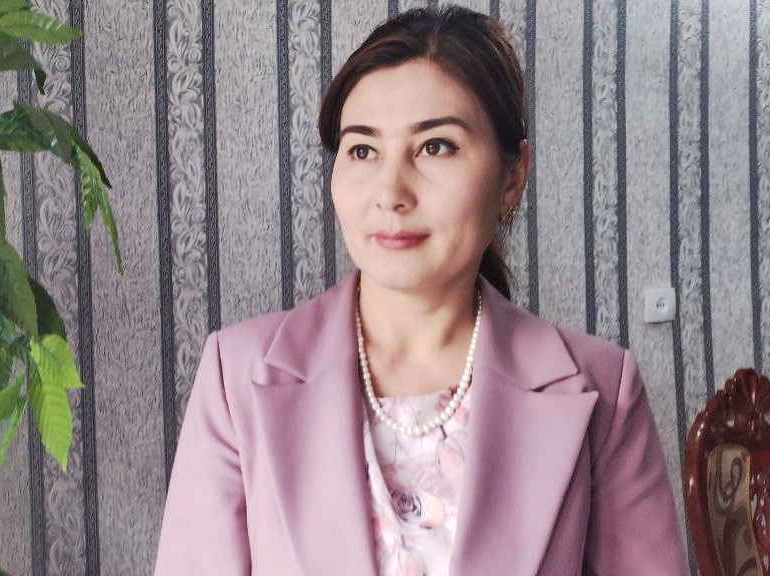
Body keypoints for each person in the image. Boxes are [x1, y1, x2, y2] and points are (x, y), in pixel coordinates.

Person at [154, 6, 687, 575]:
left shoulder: (602, 389)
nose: (391, 192)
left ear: (513, 175)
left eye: (435, 147)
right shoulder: (237, 377)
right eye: (362, 151)